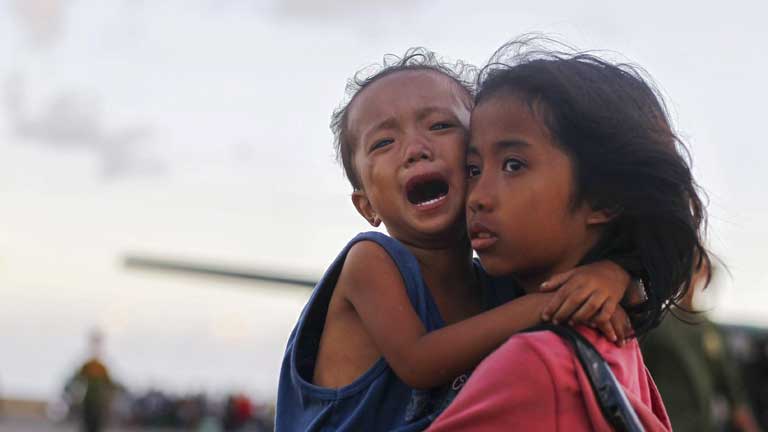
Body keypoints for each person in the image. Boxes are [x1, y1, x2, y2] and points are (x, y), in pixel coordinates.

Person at [276, 49, 643, 431]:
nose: (416, 150)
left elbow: (635, 299)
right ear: (367, 206)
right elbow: (419, 362)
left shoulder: (501, 283)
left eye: (439, 126)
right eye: (383, 142)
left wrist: (610, 275)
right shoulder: (371, 261)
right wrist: (555, 302)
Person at [429, 37, 709, 431]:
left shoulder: (538, 365)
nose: (477, 197)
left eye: (513, 165)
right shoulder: (619, 349)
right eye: (474, 170)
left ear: (606, 198)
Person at [642, 262, 763, 432]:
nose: (693, 277)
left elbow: (731, 390)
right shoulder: (657, 325)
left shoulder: (709, 330)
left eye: (700, 270)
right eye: (691, 268)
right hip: (664, 425)